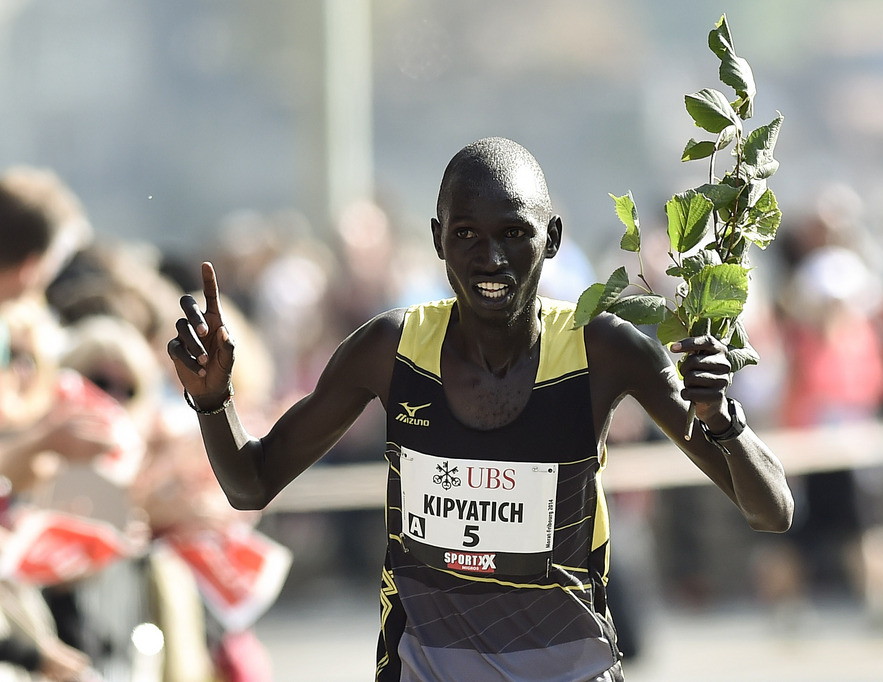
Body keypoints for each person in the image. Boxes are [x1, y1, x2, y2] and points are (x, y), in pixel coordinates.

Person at [168, 137, 794, 680]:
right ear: (438, 238)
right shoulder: (389, 350)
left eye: (513, 234)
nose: (490, 259)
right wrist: (211, 400)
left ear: (550, 239)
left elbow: (770, 510)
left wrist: (722, 422)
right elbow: (251, 484)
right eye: (466, 233)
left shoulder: (604, 350)